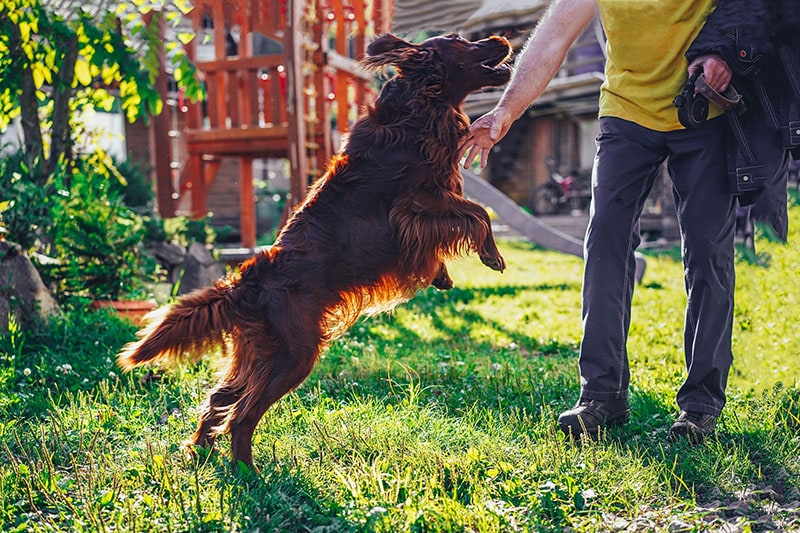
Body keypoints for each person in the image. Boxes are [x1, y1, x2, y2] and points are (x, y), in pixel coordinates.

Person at [460, 0, 741, 443]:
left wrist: (725, 54)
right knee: (606, 241)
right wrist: (506, 111)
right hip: (626, 111)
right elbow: (551, 37)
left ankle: (701, 405)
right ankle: (602, 396)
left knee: (708, 252)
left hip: (705, 108)